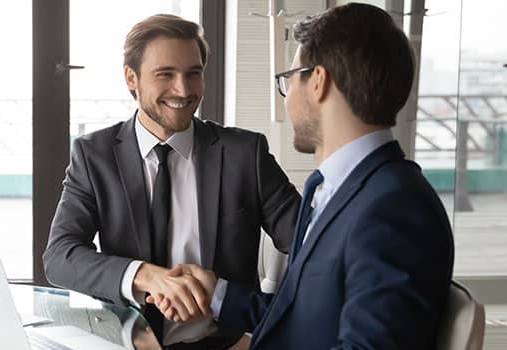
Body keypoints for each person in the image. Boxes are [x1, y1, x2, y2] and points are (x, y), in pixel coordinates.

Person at [149, 3, 455, 349]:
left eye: (288, 80)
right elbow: (300, 319)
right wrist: (216, 293)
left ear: (318, 82)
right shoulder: (336, 190)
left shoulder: (395, 208)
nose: (286, 98)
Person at [42, 14, 301, 348]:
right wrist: (147, 276)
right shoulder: (95, 156)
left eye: (194, 74)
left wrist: (266, 328)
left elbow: (312, 246)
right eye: (166, 74)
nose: (183, 90)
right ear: (131, 78)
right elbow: (60, 256)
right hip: (129, 343)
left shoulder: (244, 154)